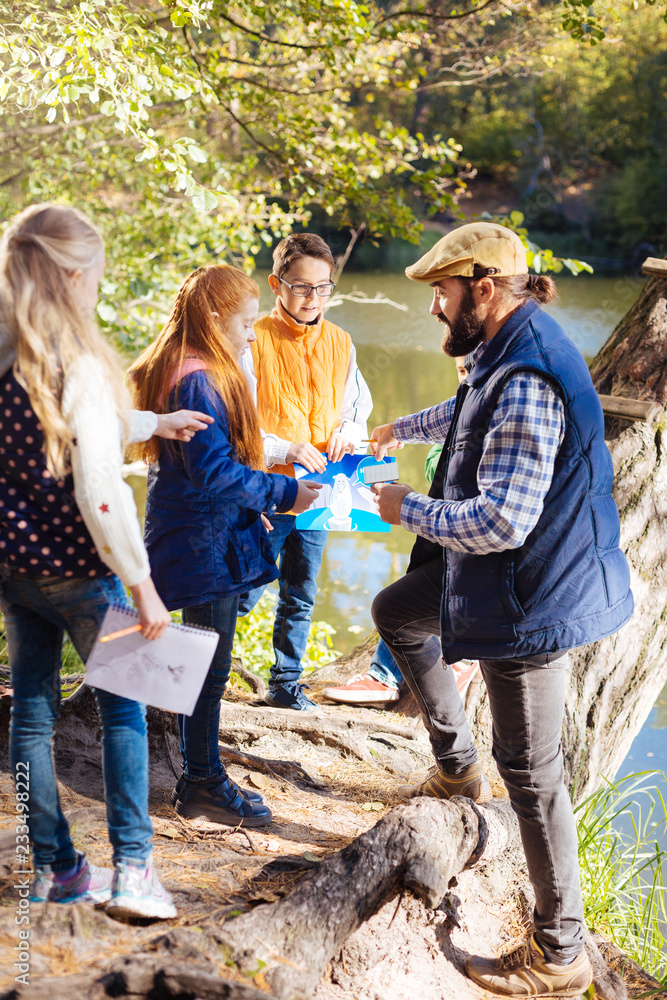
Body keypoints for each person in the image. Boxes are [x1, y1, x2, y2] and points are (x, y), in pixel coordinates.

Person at [369, 222, 633, 997]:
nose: (431, 309)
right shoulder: (509, 344)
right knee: (396, 611)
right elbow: (468, 411)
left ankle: (560, 952)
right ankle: (456, 769)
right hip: (509, 575)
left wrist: (405, 506)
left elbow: (499, 523)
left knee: (533, 772)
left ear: (482, 289)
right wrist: (398, 427)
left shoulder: (525, 375)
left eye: (440, 293)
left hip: (531, 593)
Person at [0, 203, 212, 920]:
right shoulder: (81, 362)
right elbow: (98, 489)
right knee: (126, 712)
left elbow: (78, 430)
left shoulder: (8, 353)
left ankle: (56, 868)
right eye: (94, 272)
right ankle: (133, 870)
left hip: (15, 568)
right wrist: (142, 584)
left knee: (30, 718)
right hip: (82, 573)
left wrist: (153, 423)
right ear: (73, 274)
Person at [128, 264, 321, 826]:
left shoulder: (190, 363)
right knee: (208, 669)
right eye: (244, 322)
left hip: (196, 531)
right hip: (200, 540)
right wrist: (284, 492)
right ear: (214, 318)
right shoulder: (197, 378)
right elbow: (214, 472)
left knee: (190, 659)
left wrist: (252, 509)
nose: (252, 334)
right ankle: (203, 785)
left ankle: (189, 772)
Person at [237, 232, 373, 711]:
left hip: (322, 491)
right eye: (301, 287)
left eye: (323, 287)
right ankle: (197, 672)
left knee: (301, 591)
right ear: (277, 284)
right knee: (245, 587)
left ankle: (285, 686)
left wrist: (349, 432)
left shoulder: (341, 341)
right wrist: (286, 446)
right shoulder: (253, 338)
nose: (313, 298)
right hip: (269, 488)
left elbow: (358, 406)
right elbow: (238, 423)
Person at [322, 356, 478, 706]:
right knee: (411, 587)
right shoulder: (470, 400)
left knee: (449, 587)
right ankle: (385, 676)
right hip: (445, 521)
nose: (467, 377)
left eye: (472, 368)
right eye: (461, 370)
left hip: (484, 538)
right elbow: (441, 447)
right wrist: (401, 429)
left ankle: (463, 658)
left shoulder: (513, 395)